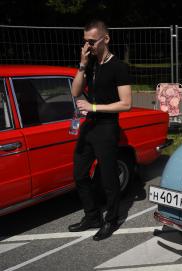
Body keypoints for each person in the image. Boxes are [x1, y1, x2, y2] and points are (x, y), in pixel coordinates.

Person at [68, 20, 132, 241]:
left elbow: (126, 104)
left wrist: (94, 107)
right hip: (90, 126)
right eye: (85, 42)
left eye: (92, 42)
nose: (88, 46)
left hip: (107, 126)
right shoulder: (91, 63)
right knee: (79, 174)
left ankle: (111, 219)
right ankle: (92, 216)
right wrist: (83, 64)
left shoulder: (118, 67)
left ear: (106, 39)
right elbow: (76, 92)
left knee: (108, 178)